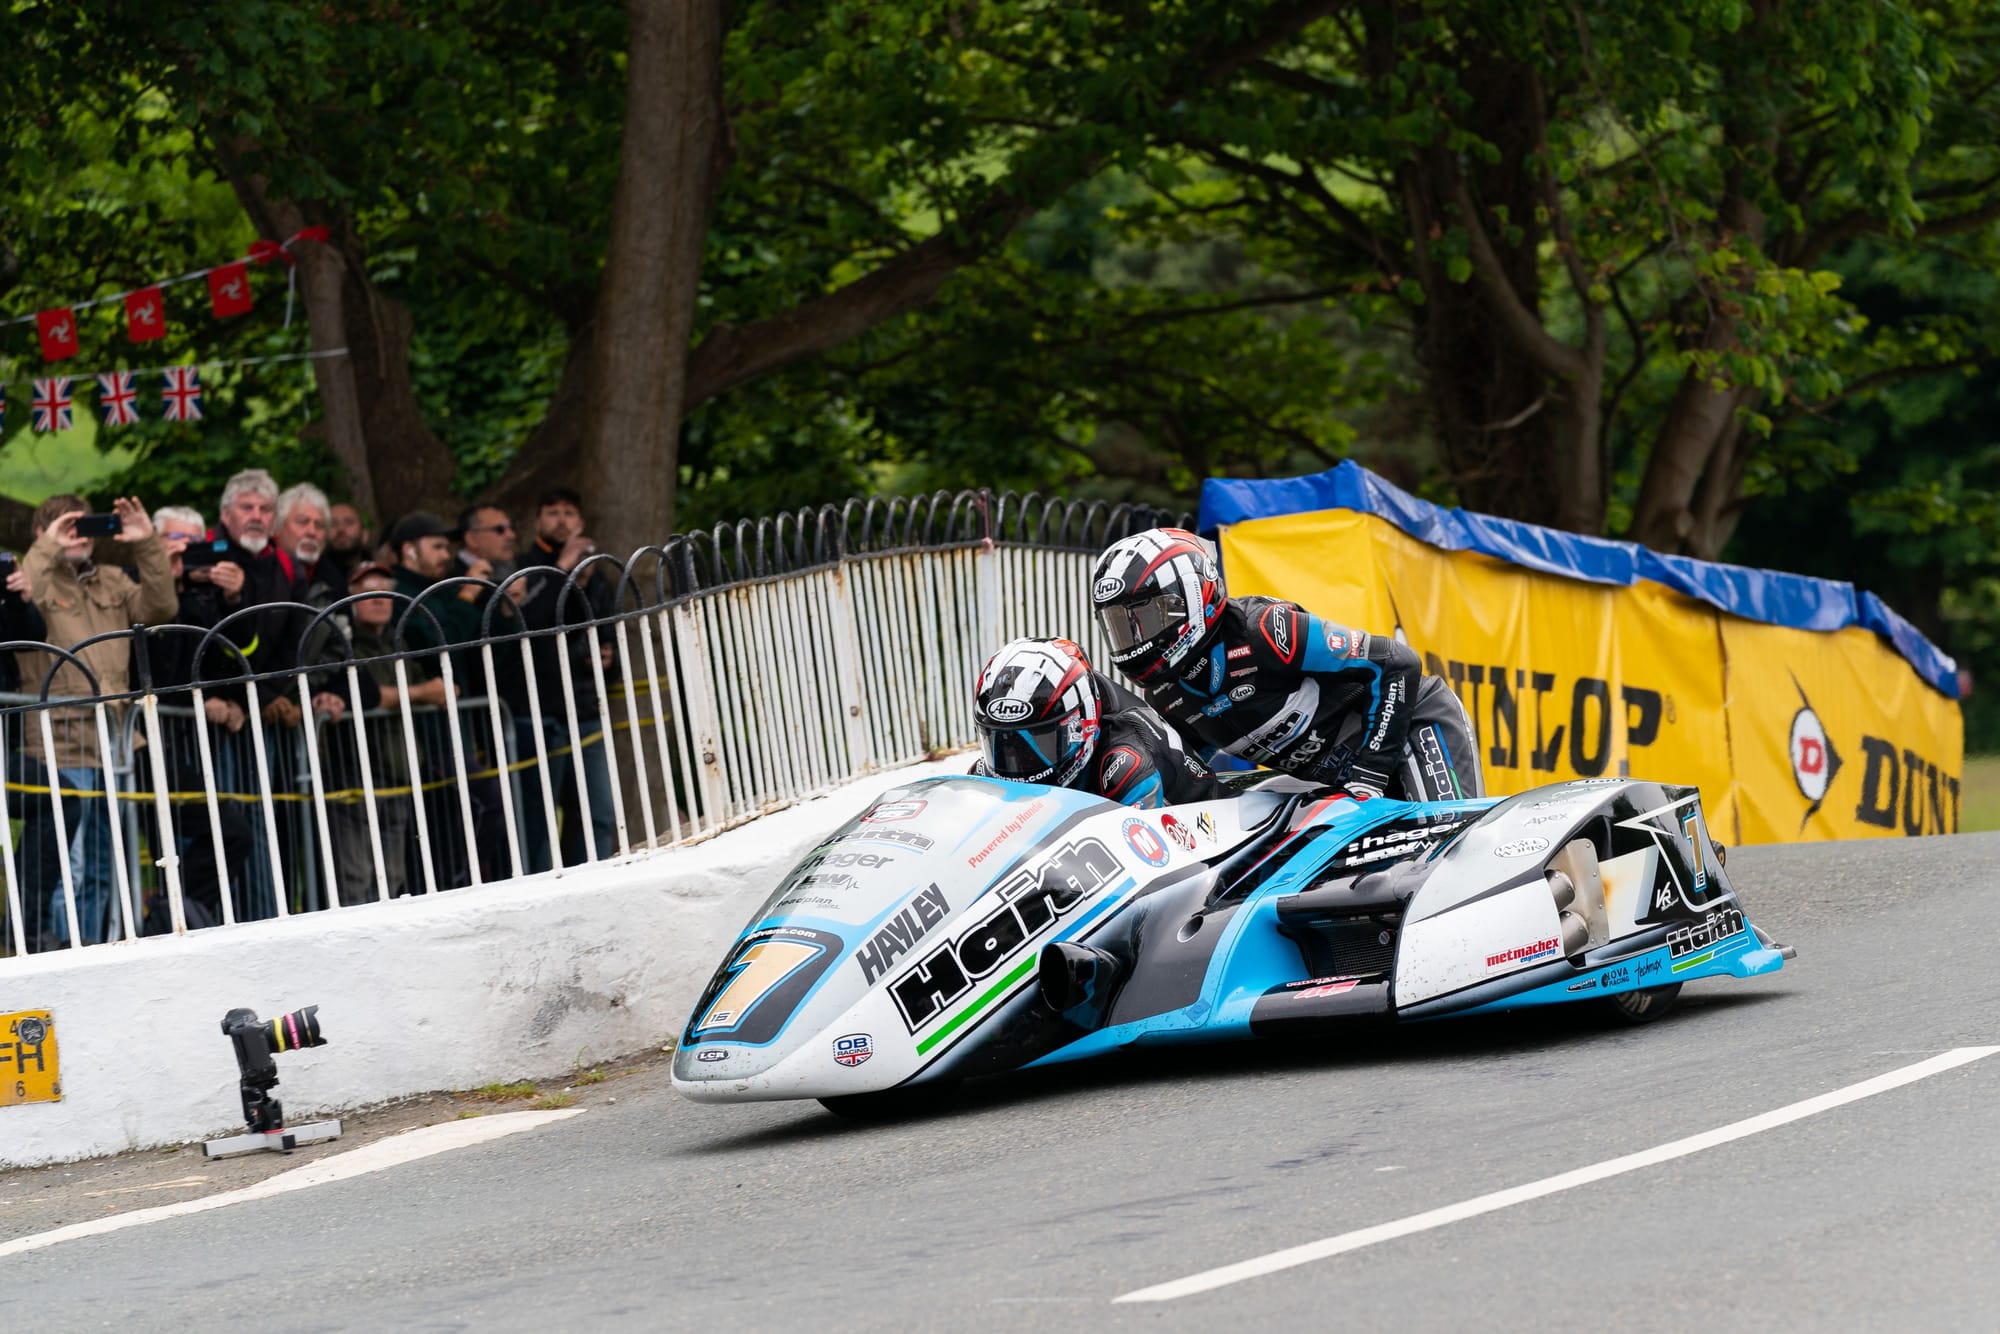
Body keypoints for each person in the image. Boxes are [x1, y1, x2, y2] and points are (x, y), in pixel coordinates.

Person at [1090, 527, 1483, 802]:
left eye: (1145, 617)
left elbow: (1396, 662)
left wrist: (1371, 774)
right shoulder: (1164, 694)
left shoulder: (1265, 629)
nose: (1136, 638)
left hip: (1416, 726)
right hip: (1343, 783)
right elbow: (1187, 769)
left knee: (1451, 851)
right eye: (1122, 625)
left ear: (1192, 598)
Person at [18, 494, 177, 946]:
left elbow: (161, 609)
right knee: (70, 863)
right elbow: (19, 597)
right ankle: (58, 955)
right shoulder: (36, 577)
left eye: (84, 527)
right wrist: (48, 546)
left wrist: (147, 543)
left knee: (104, 866)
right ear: (41, 534)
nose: (77, 535)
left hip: (116, 744)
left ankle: (89, 954)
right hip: (60, 742)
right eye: (64, 527)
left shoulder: (111, 579)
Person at [323, 562, 457, 904]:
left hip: (397, 774)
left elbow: (443, 687)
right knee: (355, 878)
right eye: (367, 590)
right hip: (354, 777)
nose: (378, 597)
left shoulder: (398, 645)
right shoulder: (342, 645)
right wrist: (421, 692)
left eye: (384, 589)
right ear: (350, 597)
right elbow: (363, 693)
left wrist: (435, 690)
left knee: (392, 876)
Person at [971, 637, 1228, 809]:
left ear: (1082, 725)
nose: (1019, 761)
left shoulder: (1125, 763)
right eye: (1001, 744)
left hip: (1205, 838)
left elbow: (1144, 870)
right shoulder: (986, 771)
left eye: (1041, 743)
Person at [514, 487, 616, 868]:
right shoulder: (526, 567)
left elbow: (607, 630)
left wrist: (607, 657)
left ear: (581, 522)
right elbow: (530, 623)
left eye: (569, 513)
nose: (561, 520)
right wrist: (561, 569)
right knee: (539, 823)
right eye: (552, 512)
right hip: (540, 712)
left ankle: (595, 881)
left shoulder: (597, 574)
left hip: (586, 710)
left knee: (598, 814)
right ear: (539, 520)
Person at [326, 502, 371, 582]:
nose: (341, 529)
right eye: (333, 523)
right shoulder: (311, 579)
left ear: (365, 535)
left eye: (349, 522)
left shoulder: (379, 576)